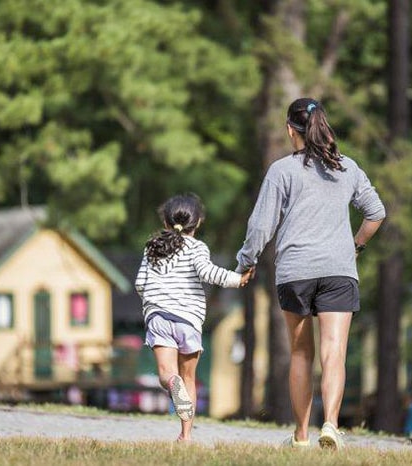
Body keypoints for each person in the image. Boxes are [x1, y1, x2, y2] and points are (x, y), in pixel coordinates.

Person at [235, 97, 386, 449]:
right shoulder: (347, 167)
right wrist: (355, 247)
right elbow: (375, 213)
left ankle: (301, 436)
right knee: (334, 350)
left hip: (295, 271)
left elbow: (260, 227)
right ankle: (331, 425)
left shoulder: (281, 171)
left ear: (291, 130)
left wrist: (246, 261)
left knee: (301, 353)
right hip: (338, 270)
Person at [135, 193, 254, 442]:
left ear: (166, 222)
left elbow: (139, 283)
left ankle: (172, 382)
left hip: (159, 317)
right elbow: (207, 272)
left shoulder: (152, 247)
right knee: (189, 378)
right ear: (197, 222)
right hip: (188, 320)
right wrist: (237, 278)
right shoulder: (197, 248)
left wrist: (152, 302)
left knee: (167, 374)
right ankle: (186, 435)